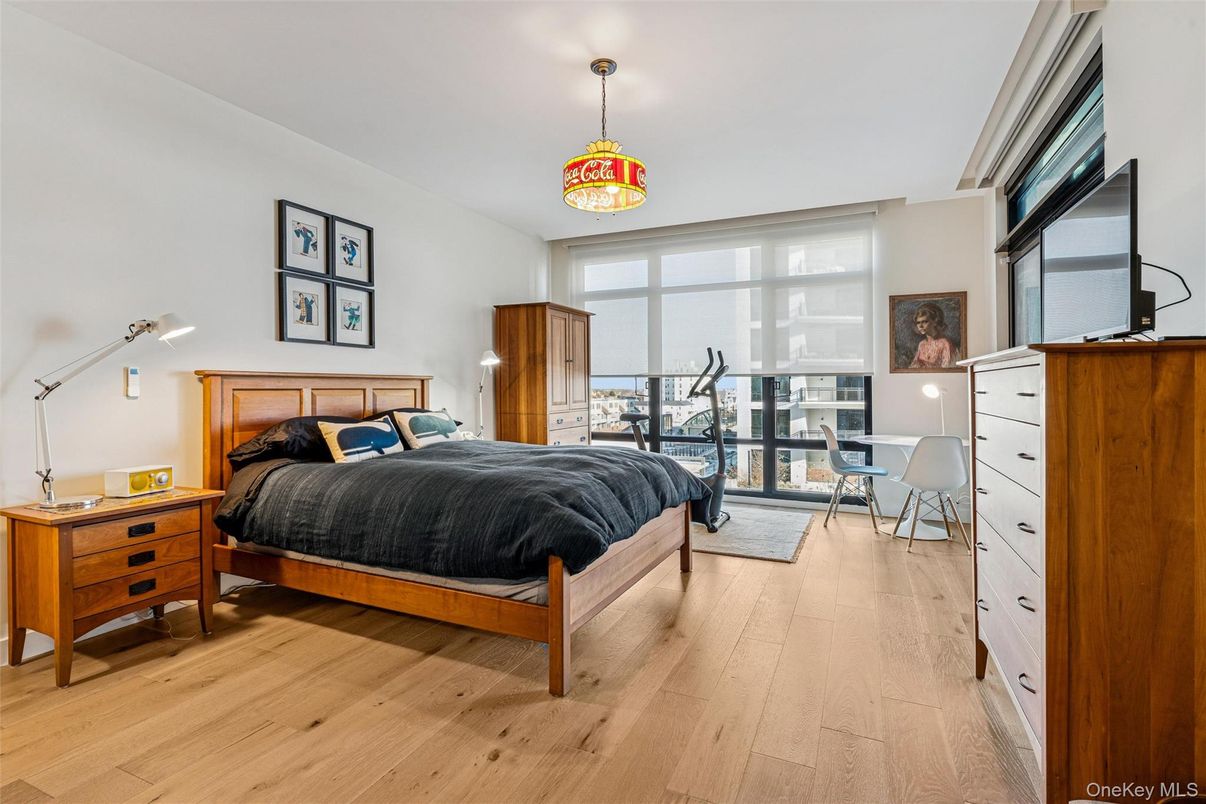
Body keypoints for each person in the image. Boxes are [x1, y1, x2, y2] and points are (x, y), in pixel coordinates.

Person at [909, 302, 960, 369]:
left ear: (935, 322)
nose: (920, 326)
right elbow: (913, 367)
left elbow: (948, 369)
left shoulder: (945, 344)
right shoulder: (922, 344)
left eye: (925, 321)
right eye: (918, 322)